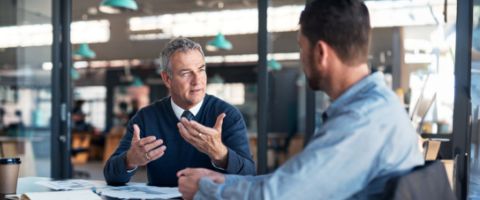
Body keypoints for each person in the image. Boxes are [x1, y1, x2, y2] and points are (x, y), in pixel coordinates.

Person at [176, 0, 425, 199]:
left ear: (320, 53)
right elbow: (294, 180)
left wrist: (205, 189)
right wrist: (225, 180)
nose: (301, 57)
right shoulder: (375, 106)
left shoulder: (361, 120)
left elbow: (279, 195)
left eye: (301, 47)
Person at [104, 38, 255, 187]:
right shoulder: (145, 118)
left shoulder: (227, 115)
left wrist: (222, 155)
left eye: (201, 70)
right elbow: (111, 176)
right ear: (167, 79)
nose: (197, 81)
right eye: (186, 73)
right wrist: (129, 160)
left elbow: (250, 176)